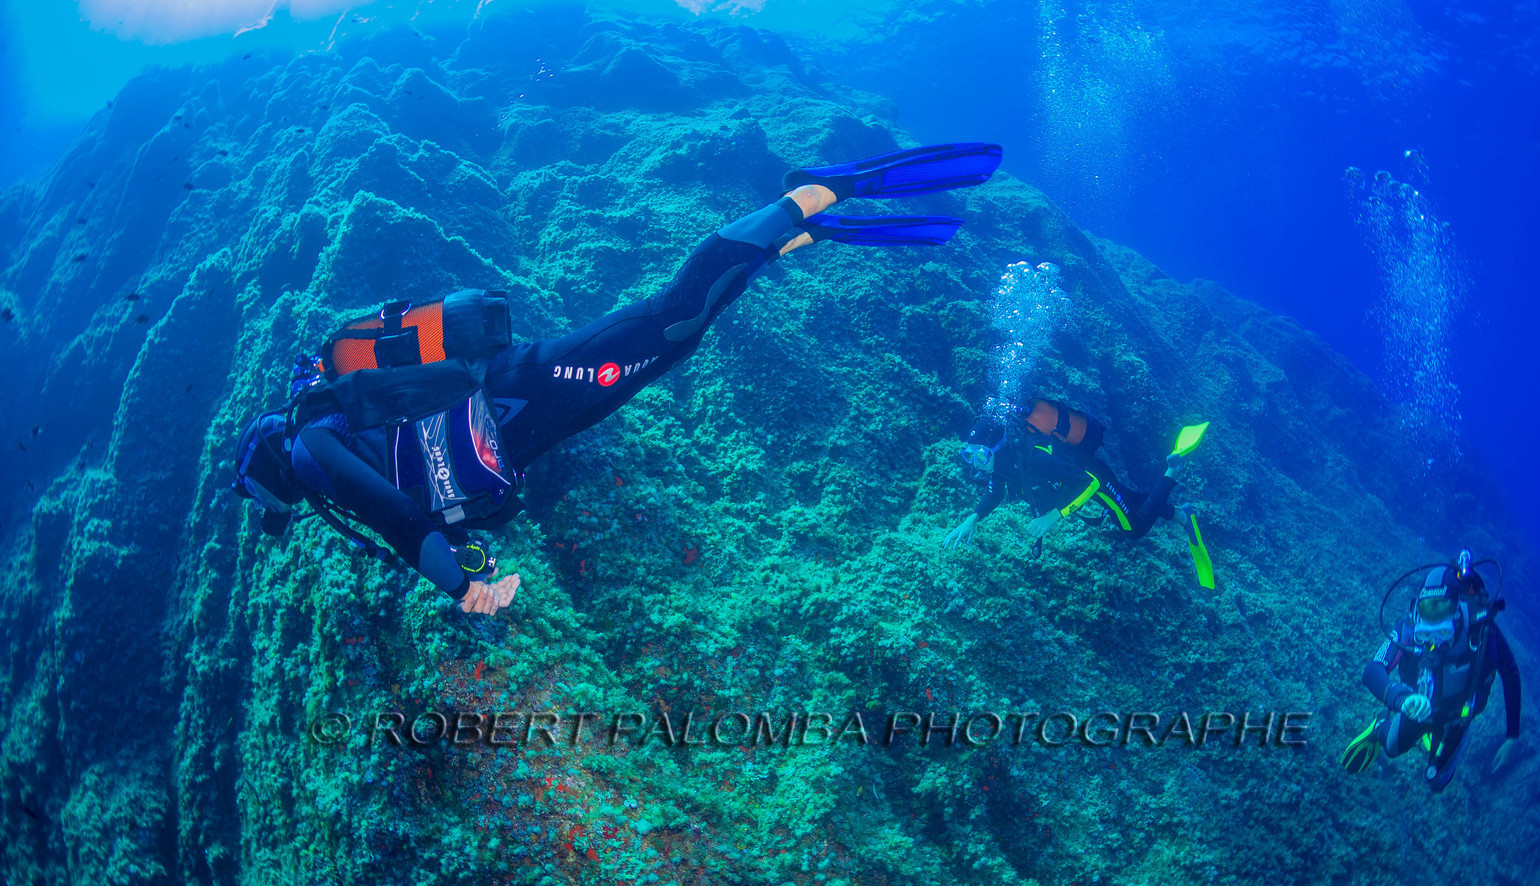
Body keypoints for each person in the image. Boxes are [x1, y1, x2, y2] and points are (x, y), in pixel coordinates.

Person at [233, 143, 1004, 615]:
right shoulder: (337, 428)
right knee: (673, 339)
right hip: (527, 414)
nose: (289, 505)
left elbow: (392, 511)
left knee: (669, 323)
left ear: (273, 468)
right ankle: (790, 234)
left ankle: (820, 190)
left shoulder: (311, 447)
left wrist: (454, 579)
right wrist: (461, 552)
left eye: (276, 503)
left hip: (526, 386)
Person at [942, 398, 1213, 586]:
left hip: (1093, 478)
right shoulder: (1003, 464)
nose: (975, 463)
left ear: (996, 448)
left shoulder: (1032, 458)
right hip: (1072, 482)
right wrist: (972, 518)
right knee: (1129, 498)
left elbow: (1088, 484)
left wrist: (1052, 517)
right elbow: (995, 493)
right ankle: (1179, 513)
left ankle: (1172, 473)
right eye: (969, 455)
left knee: (1134, 527)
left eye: (980, 455)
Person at [1340, 550, 1521, 791]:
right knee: (1392, 748)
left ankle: (1431, 738)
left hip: (1458, 717)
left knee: (1438, 782)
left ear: (1457, 613)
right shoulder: (1409, 627)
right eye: (1426, 633)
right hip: (1417, 706)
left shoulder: (1481, 629)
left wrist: (1512, 736)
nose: (1433, 641)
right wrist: (1401, 700)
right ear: (1418, 611)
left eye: (1442, 632)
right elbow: (1372, 671)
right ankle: (1380, 725)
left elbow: (1510, 673)